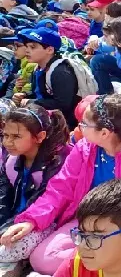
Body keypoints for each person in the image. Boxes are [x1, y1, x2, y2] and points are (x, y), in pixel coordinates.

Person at [0, 95, 121, 275]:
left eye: (84, 124)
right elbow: (59, 189)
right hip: (85, 220)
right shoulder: (84, 150)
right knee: (41, 260)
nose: (78, 128)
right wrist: (31, 221)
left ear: (104, 133)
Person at [0, 105, 70, 274]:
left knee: (10, 248)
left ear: (40, 137)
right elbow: (3, 197)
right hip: (17, 220)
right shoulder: (11, 160)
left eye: (16, 136)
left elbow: (44, 204)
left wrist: (8, 227)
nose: (7, 142)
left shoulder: (58, 162)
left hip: (44, 221)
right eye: (5, 135)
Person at [10, 28, 80, 127]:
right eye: (26, 46)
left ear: (49, 50)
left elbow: (63, 104)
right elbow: (41, 95)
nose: (27, 50)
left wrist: (32, 102)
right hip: (47, 119)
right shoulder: (38, 68)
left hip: (64, 126)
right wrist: (24, 96)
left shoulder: (60, 72)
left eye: (33, 47)